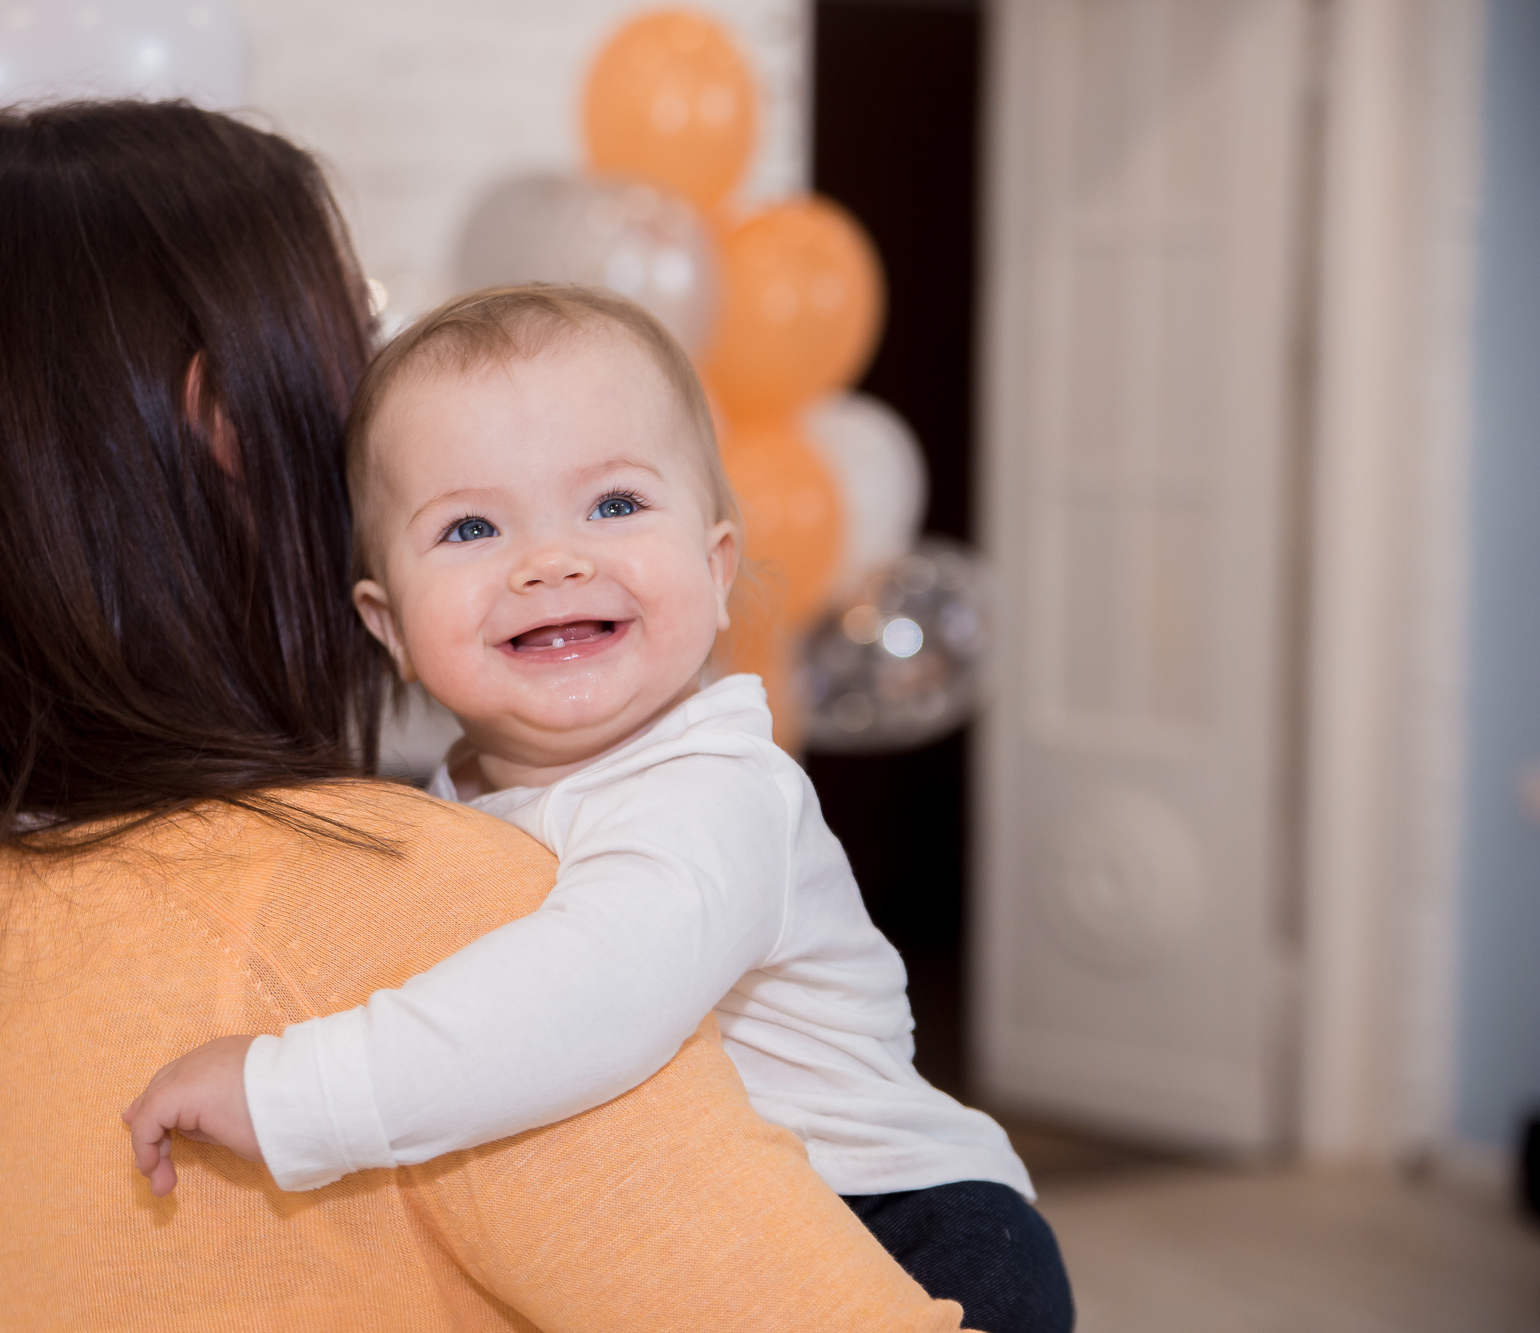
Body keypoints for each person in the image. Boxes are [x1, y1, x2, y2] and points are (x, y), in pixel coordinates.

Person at [0, 101, 972, 1332]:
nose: (549, 560)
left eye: (612, 504)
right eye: (360, 345)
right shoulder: (418, 917)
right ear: (223, 420)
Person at [124, 286, 1075, 1333]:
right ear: (388, 626)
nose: (551, 559)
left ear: (717, 574)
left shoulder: (713, 791)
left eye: (614, 506)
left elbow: (580, 1000)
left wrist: (296, 1095)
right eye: (471, 526)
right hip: (676, 1230)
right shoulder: (445, 809)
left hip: (902, 1228)